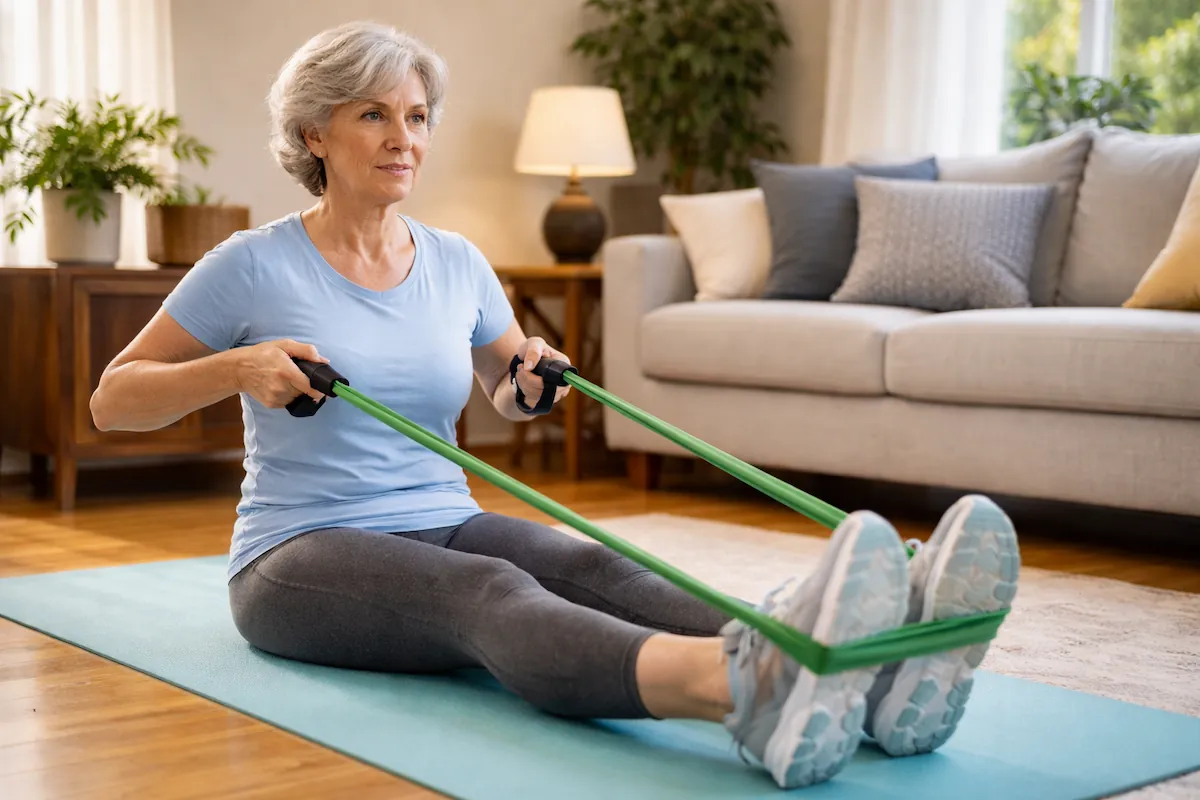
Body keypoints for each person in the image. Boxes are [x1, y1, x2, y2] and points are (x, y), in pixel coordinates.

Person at [87, 20, 1020, 789]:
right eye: (372, 113)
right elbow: (113, 401)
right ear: (314, 134)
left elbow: (506, 383)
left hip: (443, 516)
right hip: (297, 554)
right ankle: (746, 689)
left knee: (600, 568)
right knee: (490, 595)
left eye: (416, 114)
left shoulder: (454, 260)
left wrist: (526, 378)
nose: (403, 136)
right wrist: (237, 367)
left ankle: (871, 669)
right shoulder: (253, 263)